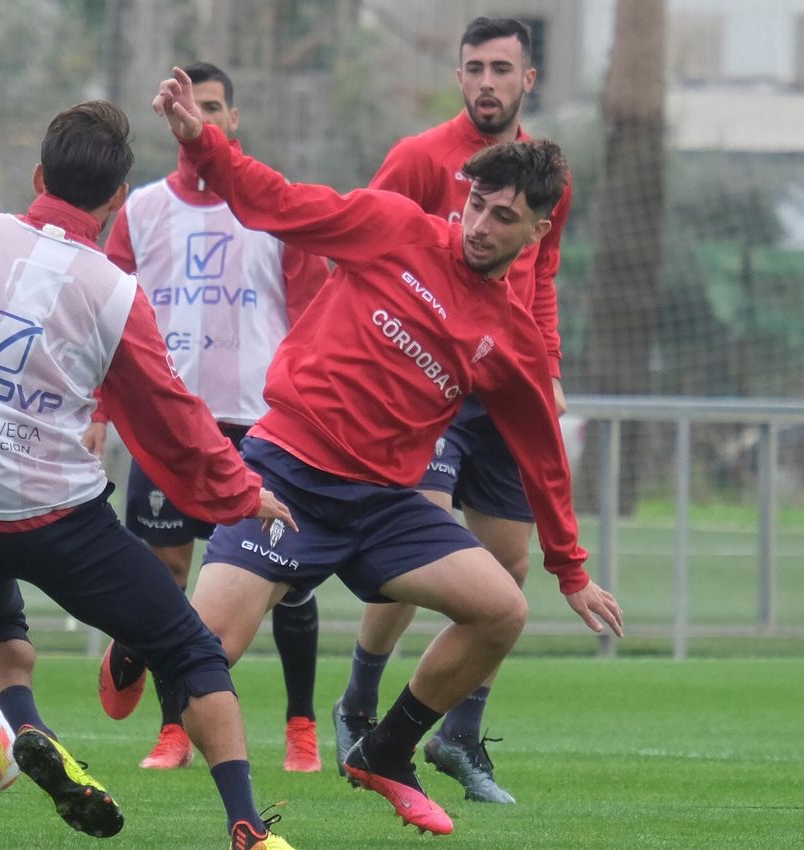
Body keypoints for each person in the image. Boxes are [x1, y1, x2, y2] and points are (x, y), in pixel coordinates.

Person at [0, 101, 300, 850]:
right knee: (188, 649)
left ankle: (29, 727)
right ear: (117, 202)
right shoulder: (112, 291)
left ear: (38, 176)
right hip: (51, 517)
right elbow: (166, 411)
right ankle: (248, 827)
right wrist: (236, 491)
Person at [151, 68, 623, 836]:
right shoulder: (393, 227)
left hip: (381, 507)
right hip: (286, 477)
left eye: (504, 217)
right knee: (200, 660)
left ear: (539, 231)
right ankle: (149, 648)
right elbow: (274, 200)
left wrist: (570, 567)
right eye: (476, 204)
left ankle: (385, 751)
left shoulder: (512, 339)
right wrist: (204, 143)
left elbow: (541, 455)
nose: (479, 225)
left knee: (503, 610)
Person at [331, 17, 571, 806]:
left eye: (503, 67)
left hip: (501, 389)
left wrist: (549, 371)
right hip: (429, 390)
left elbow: (539, 280)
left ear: (527, 79)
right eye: (475, 67)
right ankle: (360, 706)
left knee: (508, 569)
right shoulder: (416, 157)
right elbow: (358, 242)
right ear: (460, 74)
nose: (487, 81)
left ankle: (459, 737)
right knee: (422, 554)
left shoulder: (543, 177)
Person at [89, 62, 328, 774]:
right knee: (164, 572)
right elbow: (105, 312)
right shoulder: (141, 212)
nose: (208, 117)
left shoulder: (272, 205)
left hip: (266, 426)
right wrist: (100, 409)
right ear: (174, 119)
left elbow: (315, 315)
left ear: (233, 118)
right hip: (169, 423)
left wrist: (316, 410)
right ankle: (173, 730)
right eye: (195, 107)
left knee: (285, 575)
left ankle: (301, 726)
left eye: (218, 106)